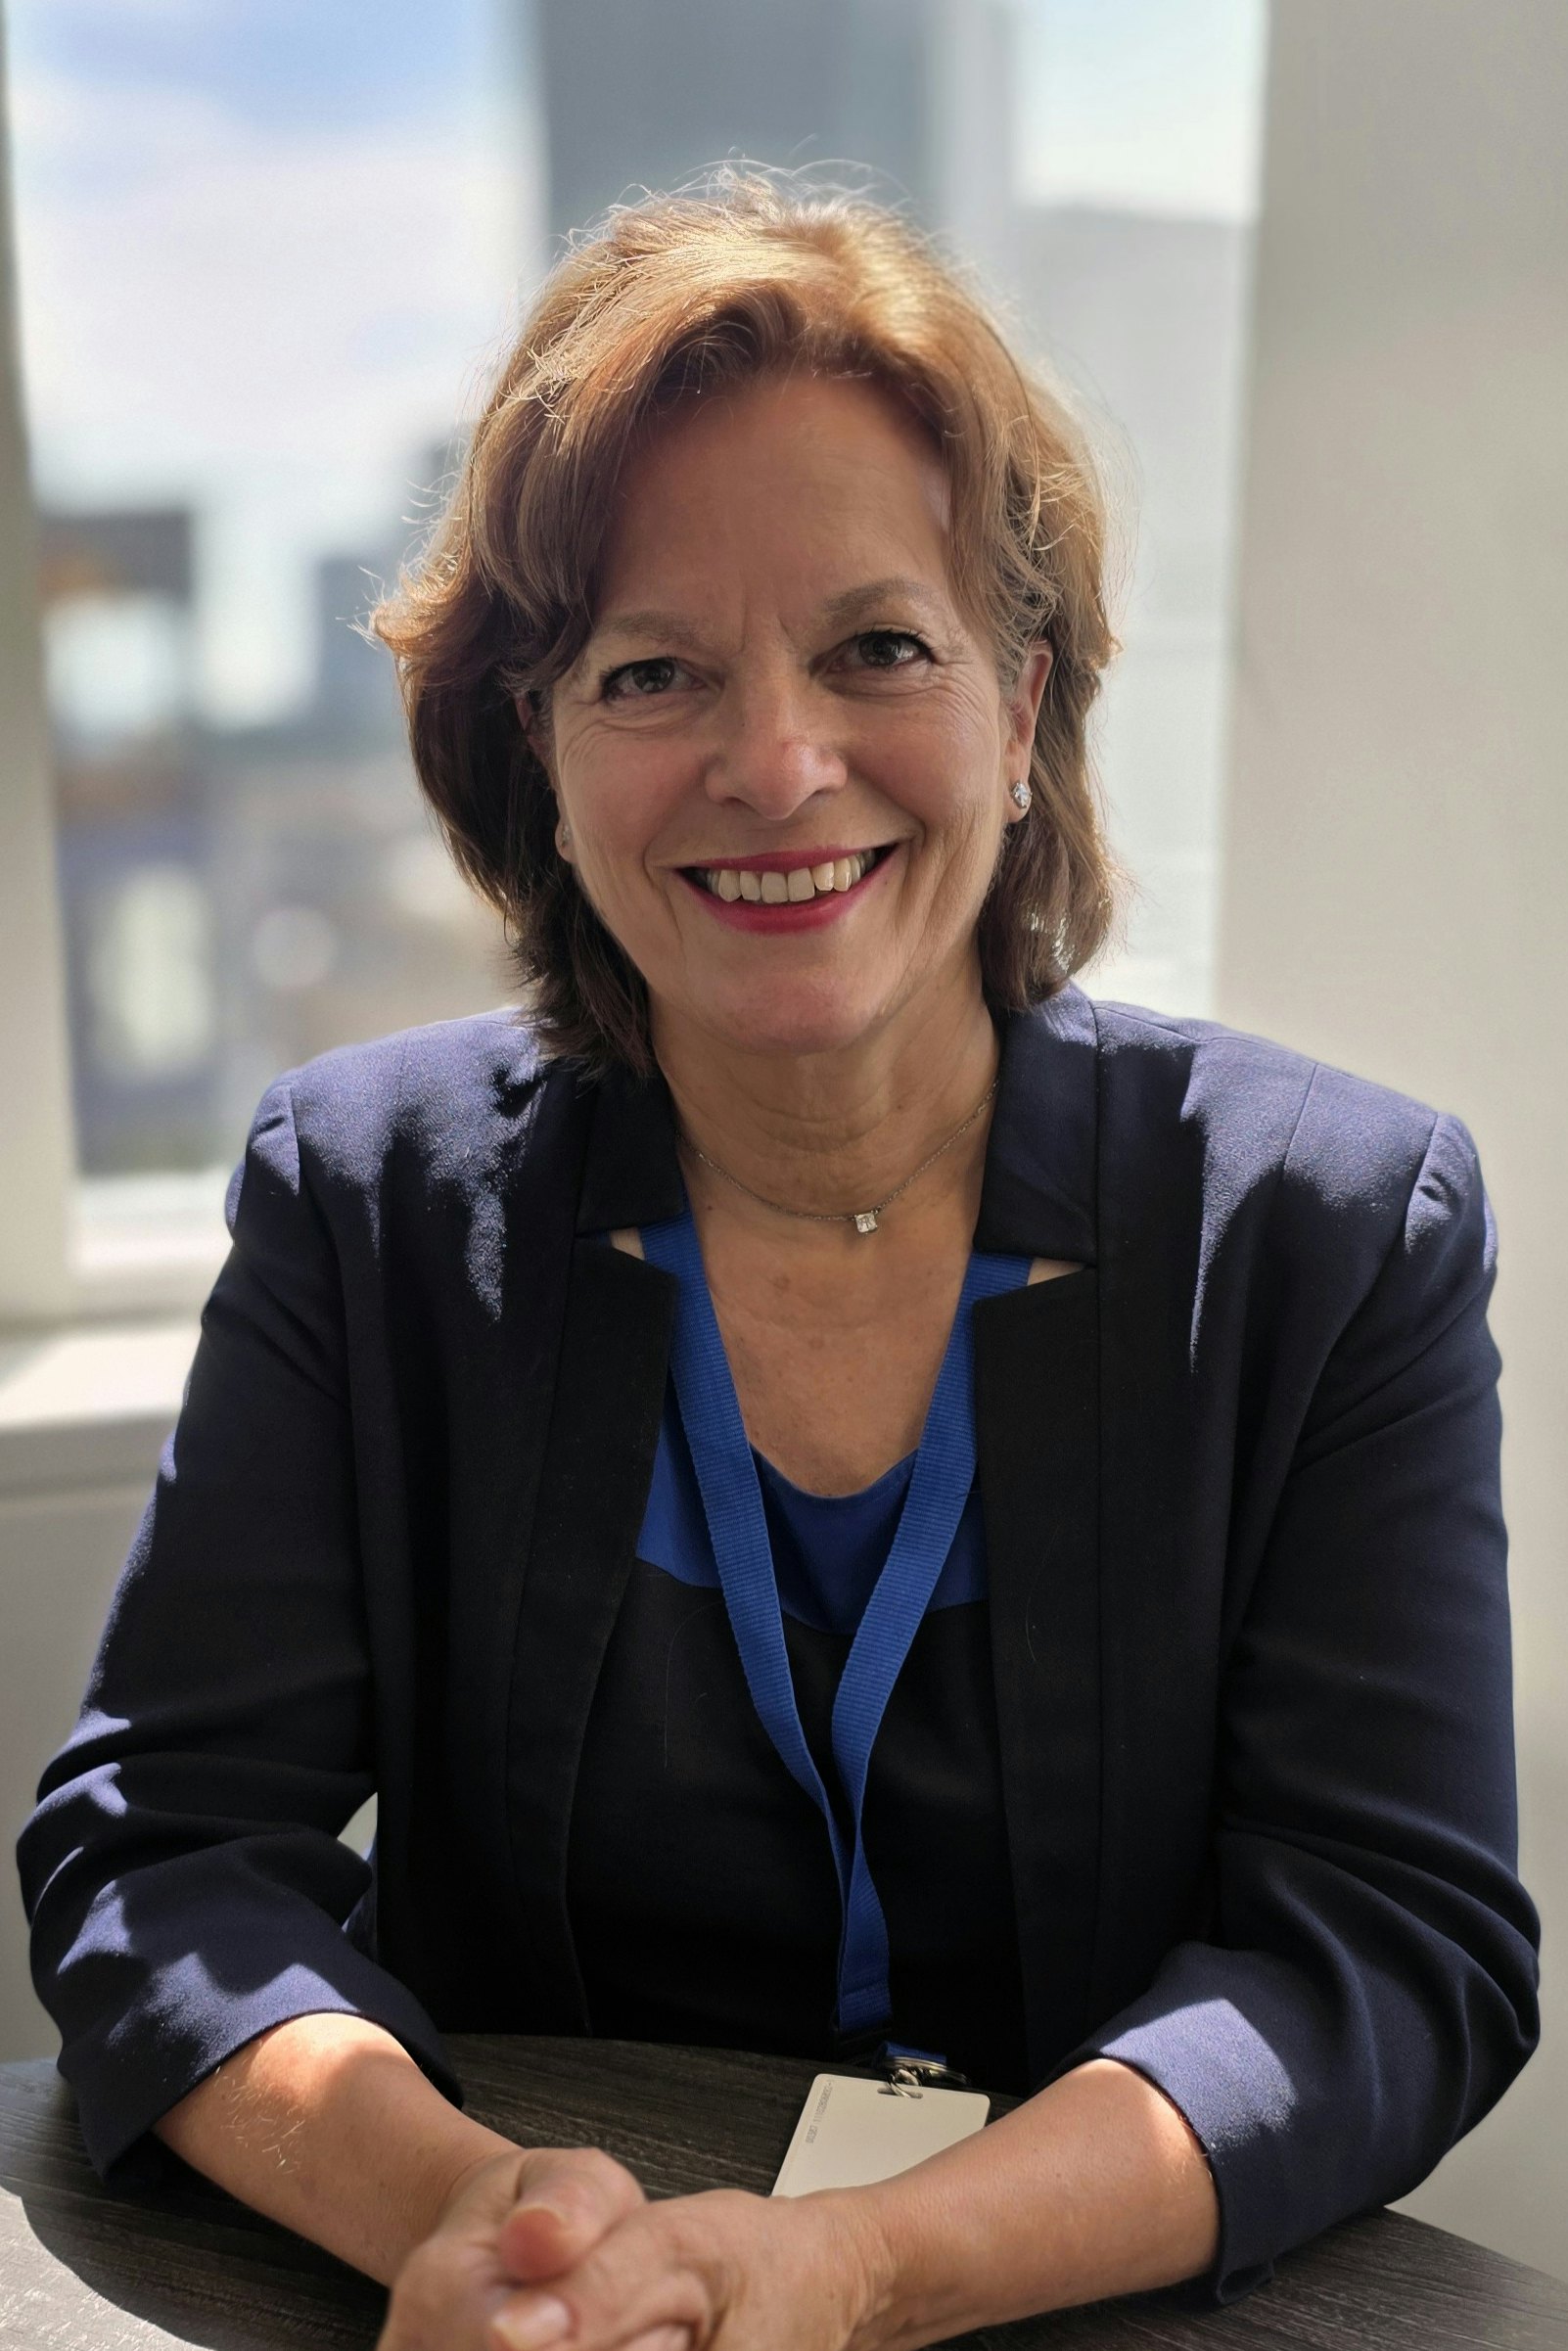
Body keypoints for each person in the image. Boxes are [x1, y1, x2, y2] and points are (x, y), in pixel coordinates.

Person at [18, 170, 1539, 2351]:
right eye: (654, 670)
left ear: (1022, 709)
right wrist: (480, 2222)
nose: (778, 763)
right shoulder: (361, 1199)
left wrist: (864, 2264)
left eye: (877, 648)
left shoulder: (1324, 1232)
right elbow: (163, 1852)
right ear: (535, 758)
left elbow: (1384, 1947)